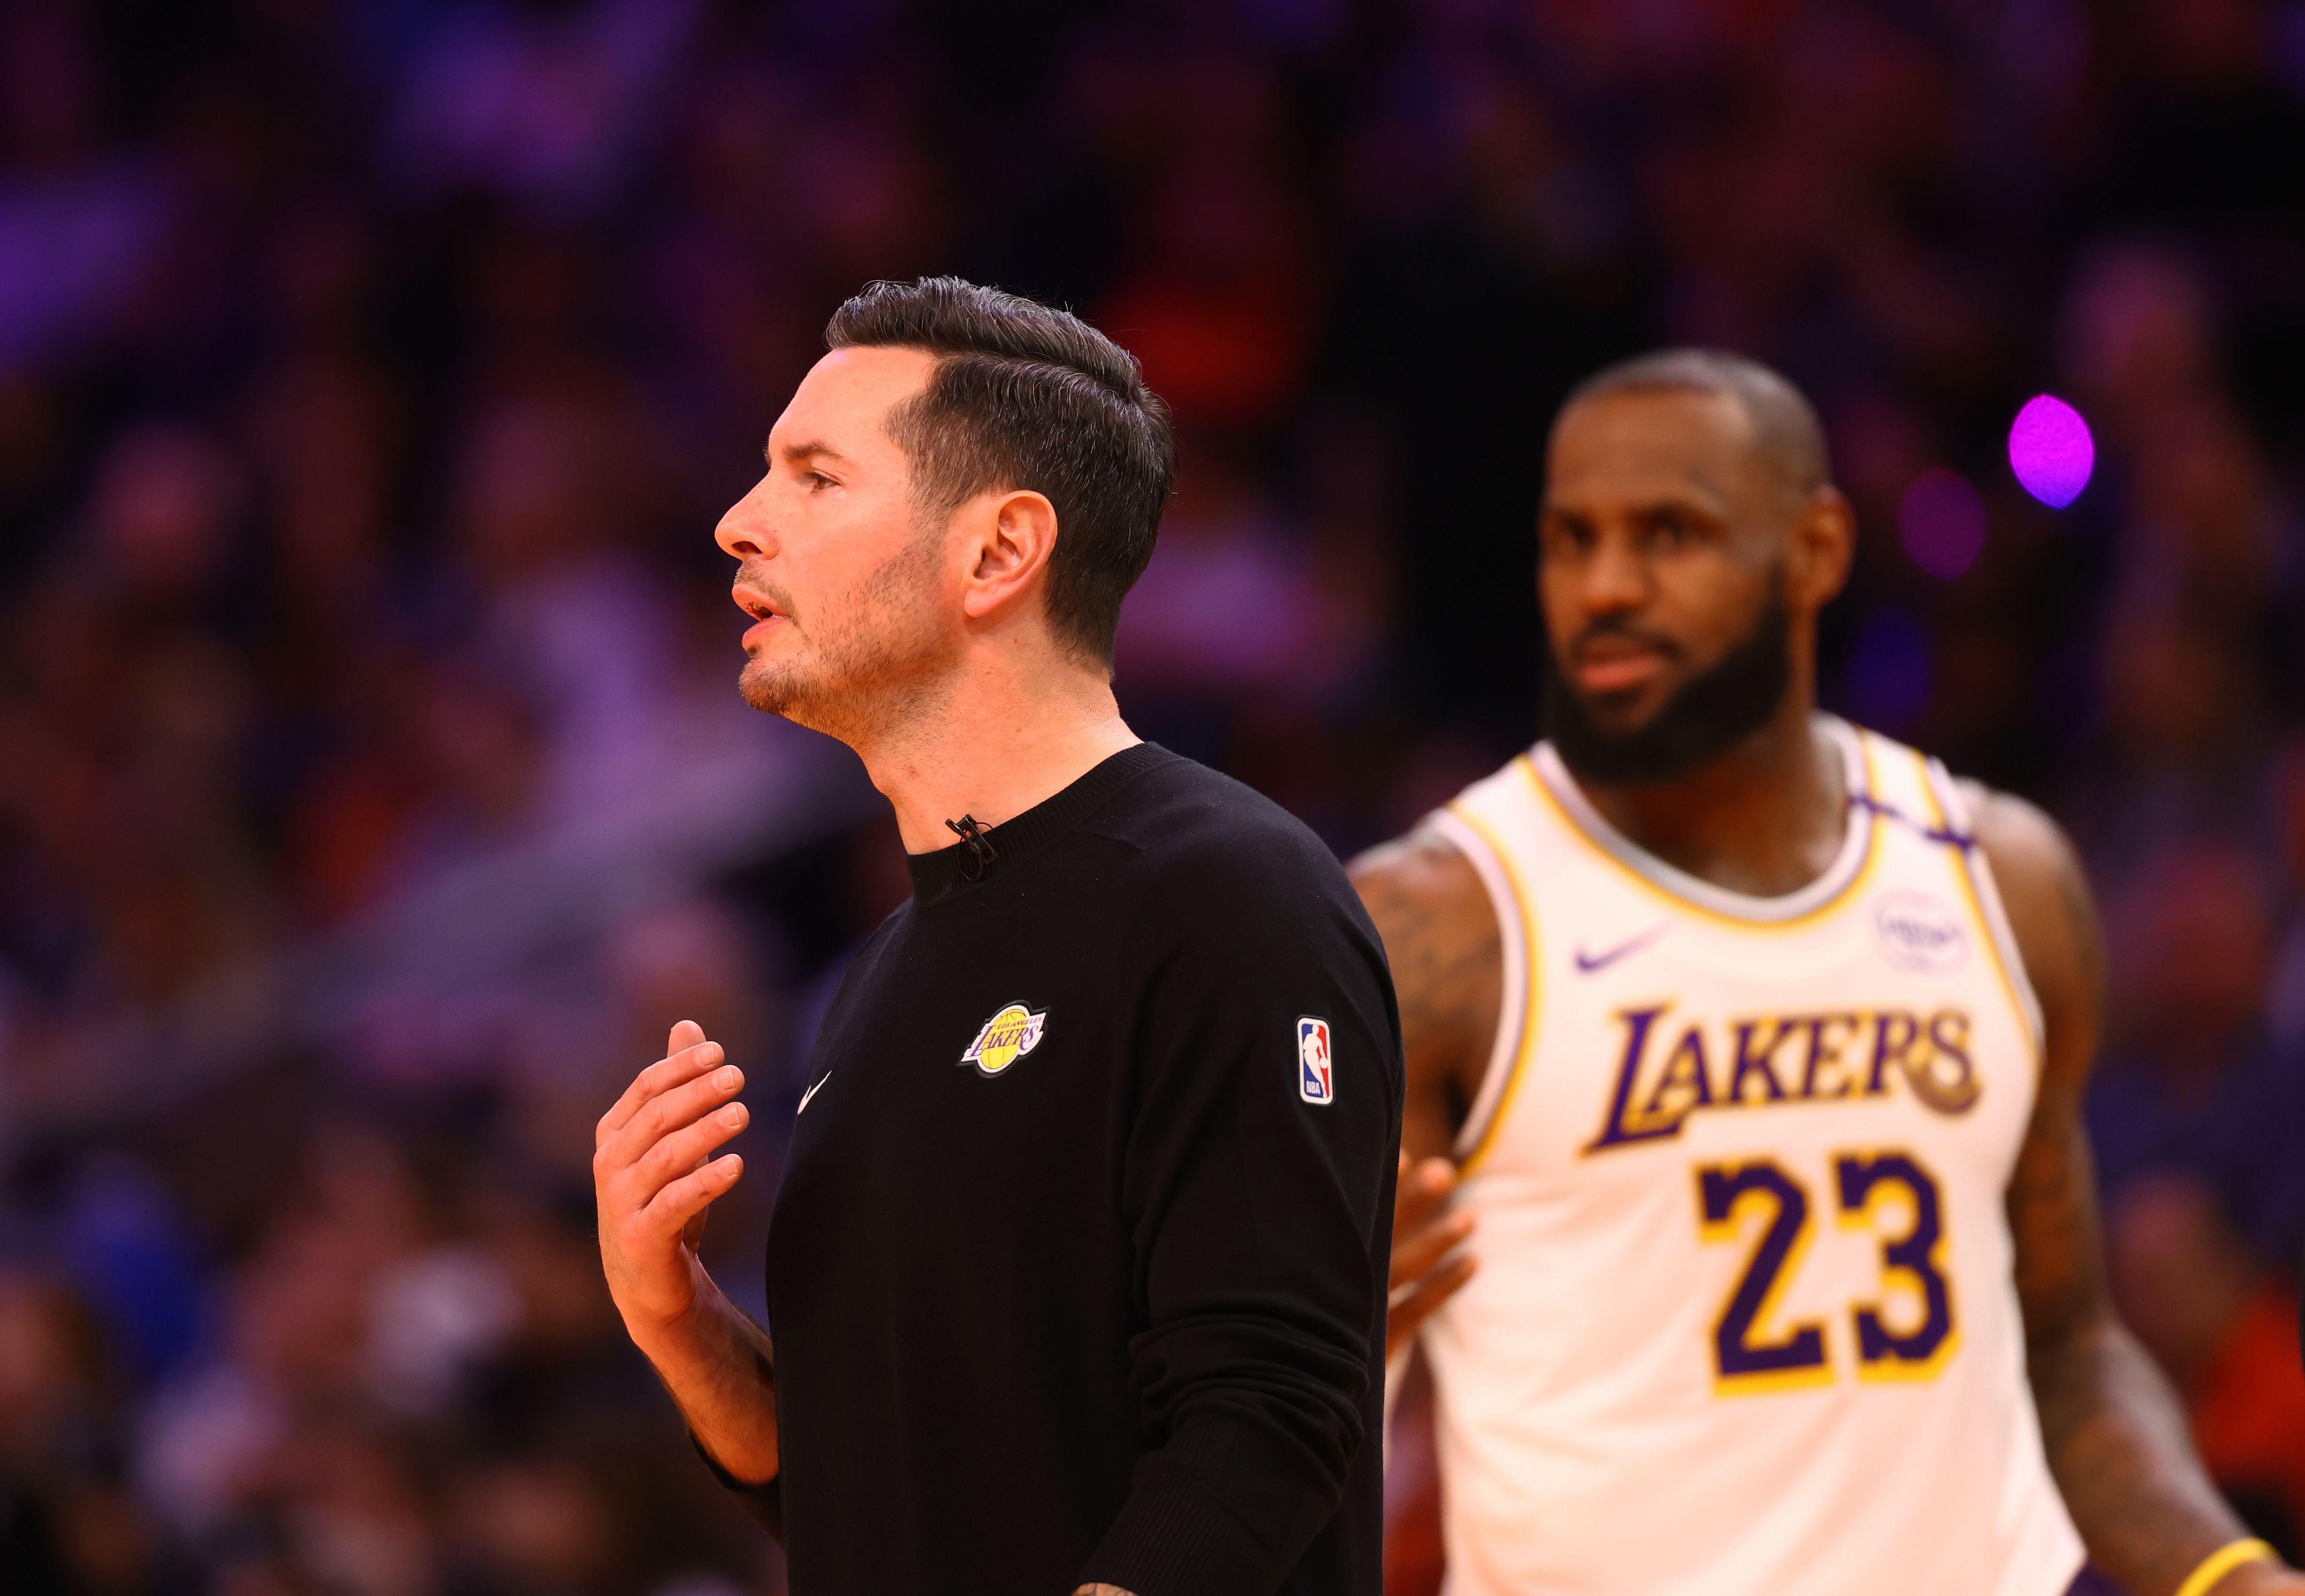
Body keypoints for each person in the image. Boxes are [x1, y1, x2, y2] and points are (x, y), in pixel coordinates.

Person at [1355, 349, 2305, 1596]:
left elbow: (2069, 1353)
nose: (1607, 586)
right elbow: (1290, 1408)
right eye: (1571, 538)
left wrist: (2230, 1575)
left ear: (1813, 551)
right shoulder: (1441, 922)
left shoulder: (2003, 881)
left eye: (1670, 534)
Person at [590, 277, 1401, 1596]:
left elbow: (1264, 1431)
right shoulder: (883, 975)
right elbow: (869, 1493)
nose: (740, 522)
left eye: (815, 477)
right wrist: (682, 1327)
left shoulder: (1228, 896)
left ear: (997, 552)